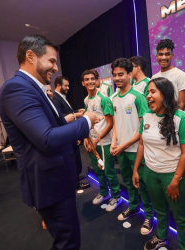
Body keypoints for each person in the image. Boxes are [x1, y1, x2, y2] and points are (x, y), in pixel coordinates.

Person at [0, 34, 99, 250]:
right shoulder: (17, 88)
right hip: (49, 184)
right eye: (51, 61)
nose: (55, 68)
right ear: (31, 56)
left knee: (68, 239)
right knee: (67, 243)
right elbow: (46, 138)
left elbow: (54, 126)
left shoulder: (35, 89)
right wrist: (86, 122)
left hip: (58, 178)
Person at [132, 78, 185, 250]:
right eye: (147, 92)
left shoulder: (182, 119)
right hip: (150, 173)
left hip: (172, 176)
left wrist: (175, 181)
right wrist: (136, 169)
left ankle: (184, 247)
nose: (148, 96)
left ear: (165, 94)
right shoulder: (146, 116)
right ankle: (161, 237)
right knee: (160, 210)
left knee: (180, 216)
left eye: (153, 92)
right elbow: (142, 144)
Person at [110, 58, 154, 235]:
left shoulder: (138, 97)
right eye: (114, 75)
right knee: (128, 182)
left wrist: (124, 145)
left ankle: (150, 216)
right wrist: (114, 143)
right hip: (121, 149)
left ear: (130, 74)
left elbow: (144, 128)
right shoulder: (113, 98)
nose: (117, 78)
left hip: (137, 150)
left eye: (121, 74)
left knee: (142, 184)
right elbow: (115, 124)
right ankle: (134, 207)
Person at [81, 70, 122, 211]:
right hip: (93, 141)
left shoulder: (104, 99)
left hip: (105, 142)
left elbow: (110, 123)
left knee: (109, 171)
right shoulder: (86, 100)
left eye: (93, 79)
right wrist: (87, 138)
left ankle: (116, 196)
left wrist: (96, 139)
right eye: (87, 79)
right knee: (98, 171)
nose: (90, 81)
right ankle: (104, 192)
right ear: (83, 83)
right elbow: (88, 121)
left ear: (98, 81)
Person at [53, 75, 89, 190]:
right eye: (66, 85)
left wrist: (77, 111)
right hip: (67, 134)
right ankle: (75, 183)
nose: (68, 88)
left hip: (71, 134)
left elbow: (68, 112)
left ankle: (76, 179)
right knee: (73, 160)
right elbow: (59, 117)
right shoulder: (55, 98)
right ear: (58, 86)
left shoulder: (61, 97)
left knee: (75, 158)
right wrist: (76, 115)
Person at [152, 39, 185, 110]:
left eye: (167, 54)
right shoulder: (154, 77)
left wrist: (174, 120)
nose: (164, 57)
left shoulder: (180, 75)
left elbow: (181, 104)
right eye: (161, 54)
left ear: (172, 56)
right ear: (157, 56)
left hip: (174, 118)